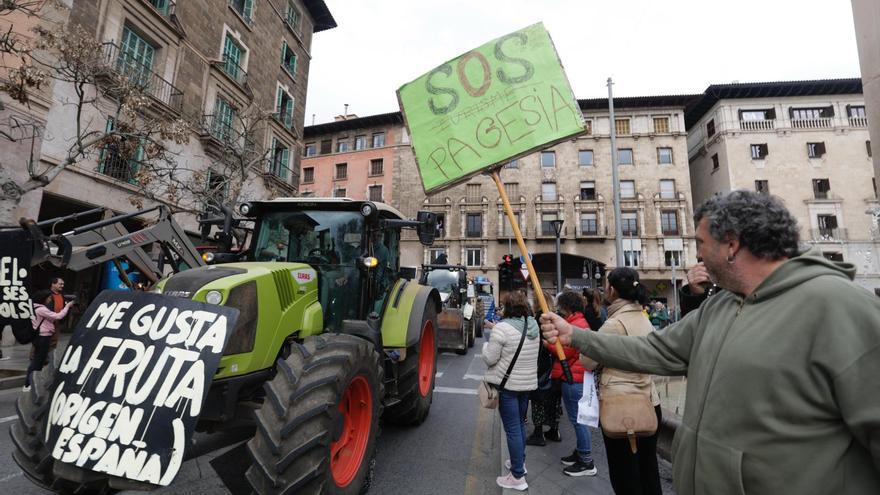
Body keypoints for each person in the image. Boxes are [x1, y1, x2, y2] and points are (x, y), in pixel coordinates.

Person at [540, 190, 880, 495]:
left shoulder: (839, 307)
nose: (697, 256)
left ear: (731, 244)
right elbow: (655, 350)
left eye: (700, 244)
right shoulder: (721, 304)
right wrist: (577, 336)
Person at [581, 267, 662, 494]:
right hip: (649, 402)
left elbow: (587, 361)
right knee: (648, 471)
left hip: (623, 408)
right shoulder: (643, 318)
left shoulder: (614, 324)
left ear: (612, 289)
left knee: (625, 476)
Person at [482, 290, 540, 491]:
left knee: (513, 429)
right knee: (520, 426)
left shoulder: (503, 329)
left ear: (507, 308)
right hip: (527, 385)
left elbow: (490, 358)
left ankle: (517, 477)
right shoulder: (533, 326)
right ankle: (519, 463)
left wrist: (484, 347)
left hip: (508, 387)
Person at [551, 290, 597, 477]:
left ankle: (586, 461)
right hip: (576, 377)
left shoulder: (576, 325)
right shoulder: (578, 322)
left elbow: (565, 352)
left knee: (579, 421)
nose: (559, 310)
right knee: (578, 419)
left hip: (573, 379)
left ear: (567, 308)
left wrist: (549, 343)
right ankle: (580, 453)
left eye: (561, 307)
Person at [526, 290, 562, 447]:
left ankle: (538, 433)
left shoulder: (539, 319)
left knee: (538, 398)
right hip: (555, 363)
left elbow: (535, 341)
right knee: (554, 399)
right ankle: (554, 430)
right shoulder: (556, 318)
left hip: (541, 363)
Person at [25, 290, 73, 392]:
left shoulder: (33, 307)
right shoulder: (41, 309)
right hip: (43, 337)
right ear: (43, 299)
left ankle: (31, 382)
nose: (49, 300)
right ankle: (28, 384)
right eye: (48, 298)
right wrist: (67, 307)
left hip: (38, 336)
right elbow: (58, 316)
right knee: (38, 361)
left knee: (38, 360)